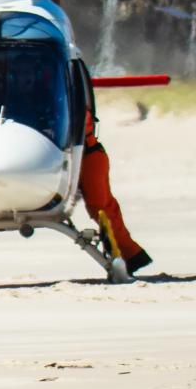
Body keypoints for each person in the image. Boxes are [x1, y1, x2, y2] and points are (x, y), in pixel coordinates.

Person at [76, 89, 150, 276]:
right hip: (85, 156)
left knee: (101, 208)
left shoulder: (69, 101)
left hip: (88, 158)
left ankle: (130, 256)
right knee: (103, 207)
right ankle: (131, 254)